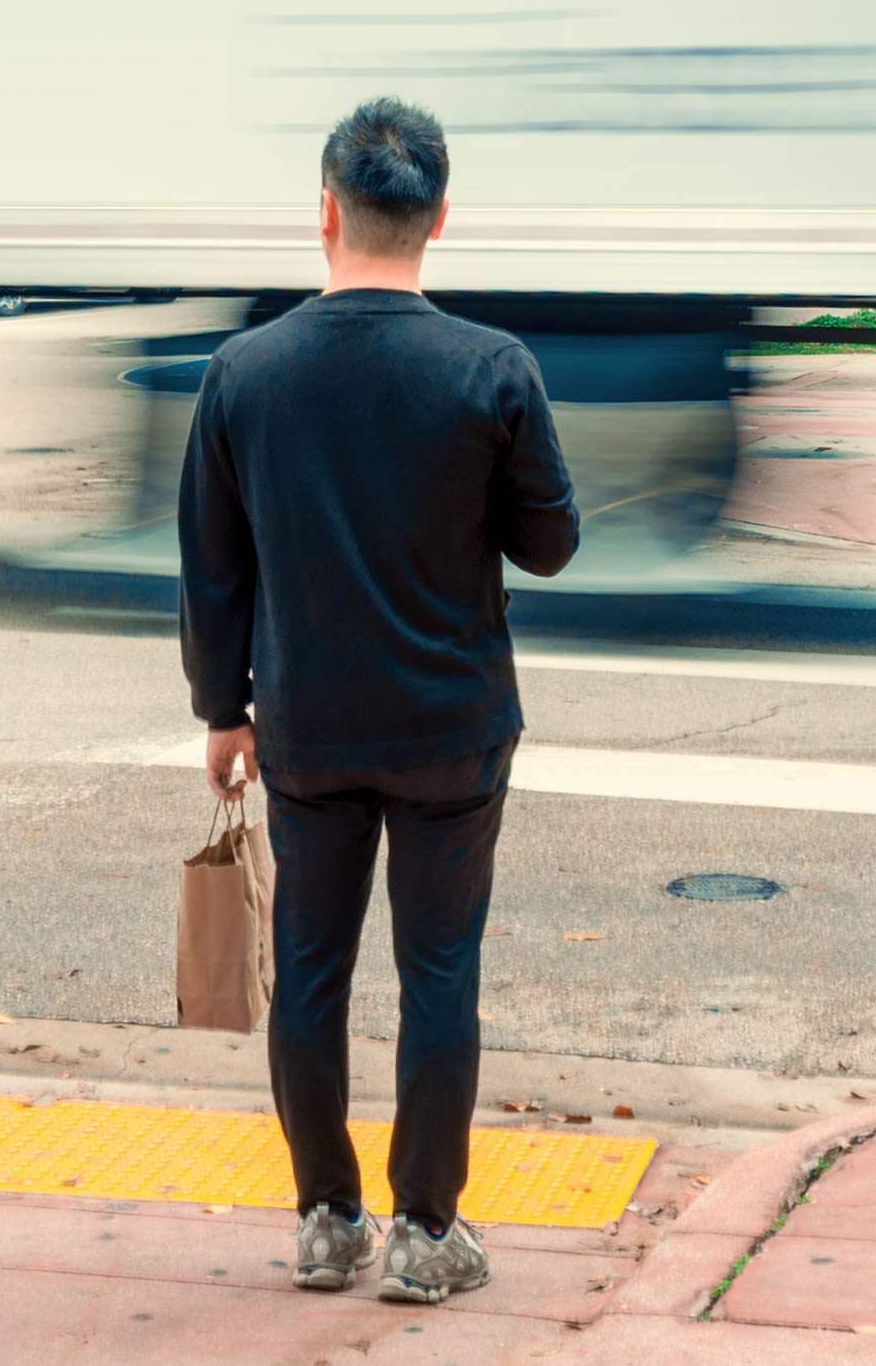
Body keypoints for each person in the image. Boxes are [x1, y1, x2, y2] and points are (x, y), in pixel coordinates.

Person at [177, 96, 579, 1304]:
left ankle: (325, 1218)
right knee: (439, 969)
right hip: (452, 729)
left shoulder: (243, 373)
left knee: (309, 970)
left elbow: (213, 565)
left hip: (306, 725)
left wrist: (223, 710)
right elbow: (550, 544)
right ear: (440, 217)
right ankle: (426, 1231)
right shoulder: (491, 370)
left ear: (324, 212)